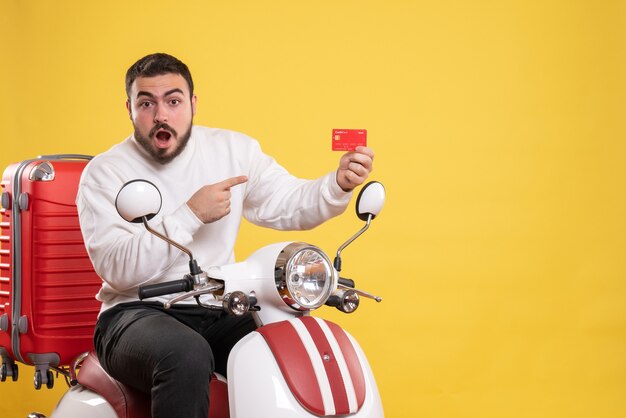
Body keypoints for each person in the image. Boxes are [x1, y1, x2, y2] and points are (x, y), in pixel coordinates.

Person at [76, 52, 374, 418]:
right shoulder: (104, 172)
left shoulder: (234, 151)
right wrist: (191, 214)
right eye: (146, 103)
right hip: (133, 314)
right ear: (129, 109)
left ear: (193, 103)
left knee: (291, 343)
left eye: (173, 101)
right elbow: (118, 269)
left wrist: (337, 185)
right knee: (185, 354)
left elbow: (288, 202)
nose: (161, 115)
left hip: (217, 306)